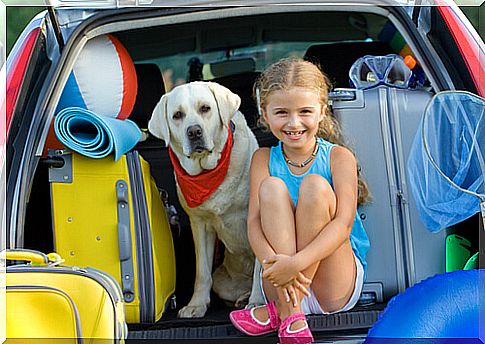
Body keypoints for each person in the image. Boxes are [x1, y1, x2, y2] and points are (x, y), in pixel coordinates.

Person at [229, 58, 370, 344]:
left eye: (305, 111)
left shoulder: (339, 157)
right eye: (281, 112)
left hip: (333, 286)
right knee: (271, 188)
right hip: (279, 282)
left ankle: (283, 313)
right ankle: (292, 316)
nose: (294, 123)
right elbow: (254, 224)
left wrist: (295, 264)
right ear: (264, 115)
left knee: (315, 187)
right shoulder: (263, 159)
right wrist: (280, 266)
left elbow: (343, 225)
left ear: (322, 111)